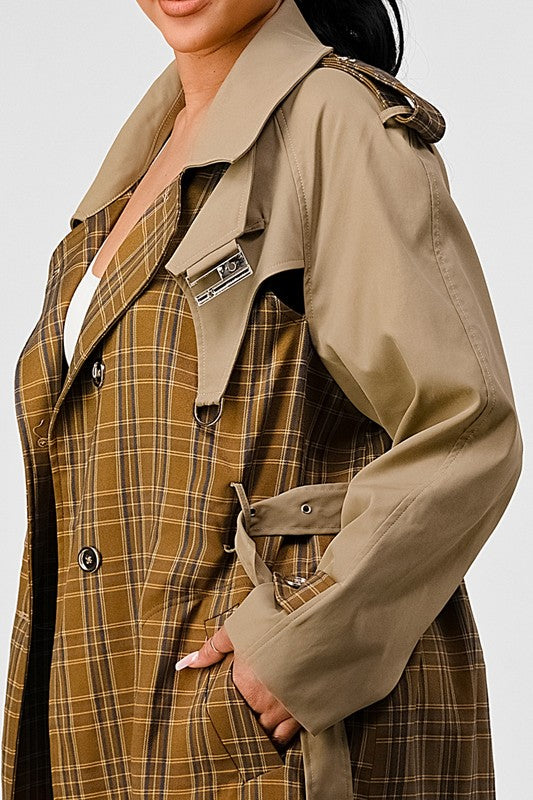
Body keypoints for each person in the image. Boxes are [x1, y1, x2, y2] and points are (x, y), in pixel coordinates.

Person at [2, 0, 522, 798]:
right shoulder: (140, 164)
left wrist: (298, 649)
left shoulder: (334, 121)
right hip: (108, 714)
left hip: (270, 742)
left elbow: (465, 426)